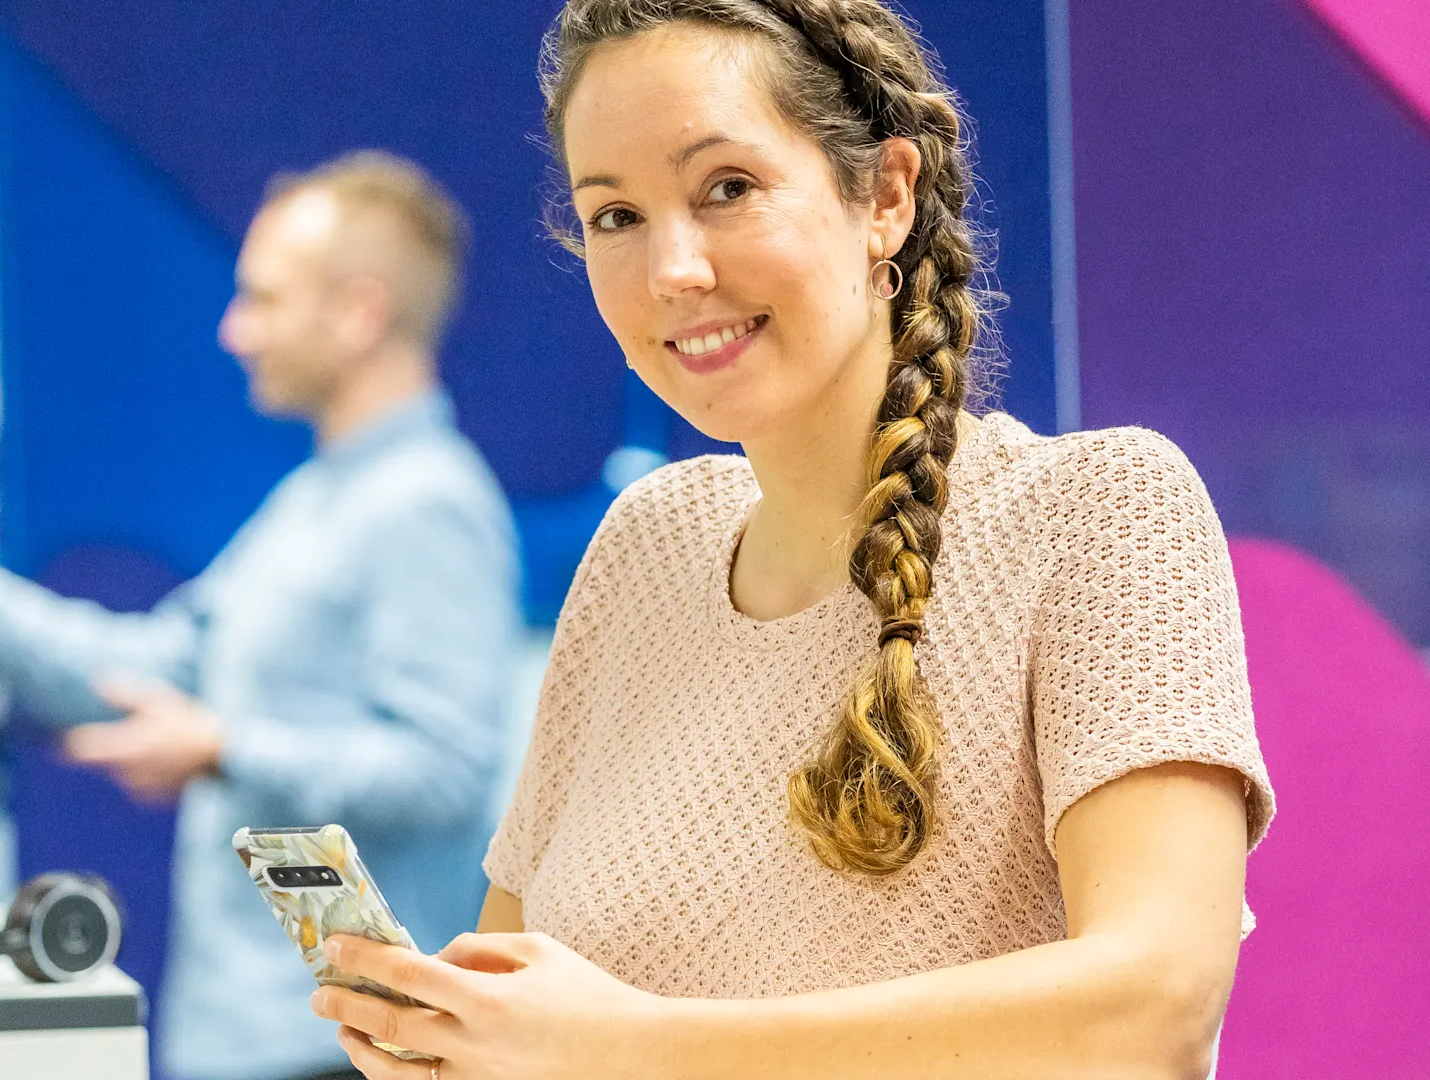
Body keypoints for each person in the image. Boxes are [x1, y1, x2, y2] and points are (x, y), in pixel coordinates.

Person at [305, 4, 1275, 1079]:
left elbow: (1156, 1007)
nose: (672, 268)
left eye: (728, 189)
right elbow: (536, 992)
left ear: (887, 196)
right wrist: (458, 1044)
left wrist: (641, 1049)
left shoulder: (1100, 509)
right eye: (615, 216)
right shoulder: (647, 545)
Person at [0, 151, 520, 1080]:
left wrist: (225, 747)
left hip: (345, 1049)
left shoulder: (428, 505)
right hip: (253, 1037)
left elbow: (444, 769)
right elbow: (153, 666)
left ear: (358, 313)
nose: (233, 330)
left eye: (261, 299)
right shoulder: (311, 504)